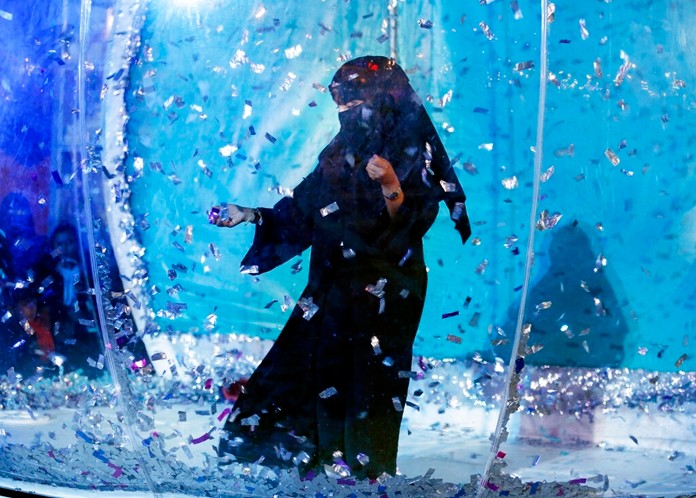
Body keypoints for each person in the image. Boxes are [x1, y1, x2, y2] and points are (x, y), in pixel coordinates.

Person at [212, 56, 471, 479]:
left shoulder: (411, 148)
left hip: (386, 293)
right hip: (332, 285)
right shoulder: (340, 152)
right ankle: (303, 467)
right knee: (303, 368)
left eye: (356, 104)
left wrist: (391, 186)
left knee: (368, 383)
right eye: (341, 106)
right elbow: (302, 210)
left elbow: (409, 228)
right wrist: (252, 214)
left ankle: (364, 477)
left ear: (385, 98)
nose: (348, 115)